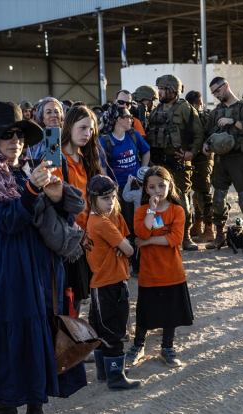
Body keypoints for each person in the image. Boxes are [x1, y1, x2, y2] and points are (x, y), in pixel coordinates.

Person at [0, 102, 87, 414]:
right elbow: (7, 221)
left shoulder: (29, 169)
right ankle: (7, 411)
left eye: (20, 135)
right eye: (6, 135)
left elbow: (65, 213)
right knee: (9, 332)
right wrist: (31, 189)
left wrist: (55, 195)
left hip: (41, 265)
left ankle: (36, 408)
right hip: (7, 268)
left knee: (40, 329)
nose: (16, 141)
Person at [125, 166, 194, 369]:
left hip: (172, 271)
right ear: (146, 189)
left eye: (161, 186)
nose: (157, 191)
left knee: (171, 311)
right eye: (152, 187)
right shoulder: (141, 211)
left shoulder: (177, 210)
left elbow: (175, 238)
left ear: (170, 186)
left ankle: (167, 347)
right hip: (149, 272)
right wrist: (151, 210)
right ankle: (138, 346)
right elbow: (142, 232)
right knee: (145, 311)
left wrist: (147, 243)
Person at [84, 174, 143, 391]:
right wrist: (120, 246)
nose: (110, 203)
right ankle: (116, 377)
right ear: (92, 199)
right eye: (105, 199)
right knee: (114, 330)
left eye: (112, 197)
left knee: (101, 330)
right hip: (110, 284)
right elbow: (128, 249)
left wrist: (120, 244)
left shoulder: (98, 218)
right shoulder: (102, 223)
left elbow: (125, 240)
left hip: (101, 285)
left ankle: (105, 372)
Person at [52, 105, 109, 312]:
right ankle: (65, 341)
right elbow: (53, 204)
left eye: (91, 129)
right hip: (68, 241)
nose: (87, 134)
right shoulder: (56, 159)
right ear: (68, 126)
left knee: (79, 297)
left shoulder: (86, 159)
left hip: (86, 239)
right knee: (66, 299)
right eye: (82, 128)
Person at [145, 74, 205, 251]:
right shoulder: (156, 110)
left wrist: (191, 152)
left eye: (162, 89)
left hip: (177, 163)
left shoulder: (185, 109)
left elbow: (198, 134)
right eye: (159, 89)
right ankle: (159, 231)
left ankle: (184, 235)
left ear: (172, 90)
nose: (160, 92)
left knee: (181, 198)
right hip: (158, 163)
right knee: (156, 199)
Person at [203, 76, 243, 252]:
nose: (216, 95)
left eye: (218, 91)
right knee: (218, 199)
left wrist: (233, 122)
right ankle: (219, 236)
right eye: (213, 93)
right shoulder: (215, 113)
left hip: (239, 158)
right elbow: (207, 134)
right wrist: (206, 145)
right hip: (220, 160)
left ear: (226, 86)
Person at [100, 102, 150, 275]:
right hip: (119, 191)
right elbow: (103, 167)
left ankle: (138, 264)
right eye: (128, 116)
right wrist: (110, 190)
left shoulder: (133, 135)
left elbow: (146, 151)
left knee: (140, 223)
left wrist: (141, 172)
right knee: (125, 226)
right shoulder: (105, 140)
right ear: (119, 119)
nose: (131, 119)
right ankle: (130, 264)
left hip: (136, 187)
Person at [185, 89, 215, 243]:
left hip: (202, 161)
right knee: (197, 196)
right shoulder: (206, 115)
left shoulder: (199, 117)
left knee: (203, 194)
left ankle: (209, 230)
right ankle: (197, 226)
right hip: (197, 160)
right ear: (201, 103)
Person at [28, 96, 65, 162]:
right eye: (49, 112)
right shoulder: (34, 140)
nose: (54, 115)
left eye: (56, 112)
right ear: (41, 117)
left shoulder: (67, 136)